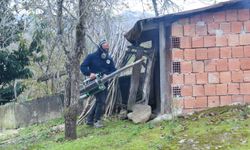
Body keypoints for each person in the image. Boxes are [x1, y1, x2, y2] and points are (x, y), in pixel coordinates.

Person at [80, 40, 116, 128]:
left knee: (99, 101)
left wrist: (108, 75)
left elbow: (113, 70)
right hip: (95, 83)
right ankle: (96, 120)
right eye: (105, 47)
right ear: (100, 47)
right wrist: (89, 73)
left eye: (108, 48)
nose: (106, 49)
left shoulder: (108, 59)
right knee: (101, 101)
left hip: (105, 82)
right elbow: (83, 66)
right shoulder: (91, 57)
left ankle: (89, 120)